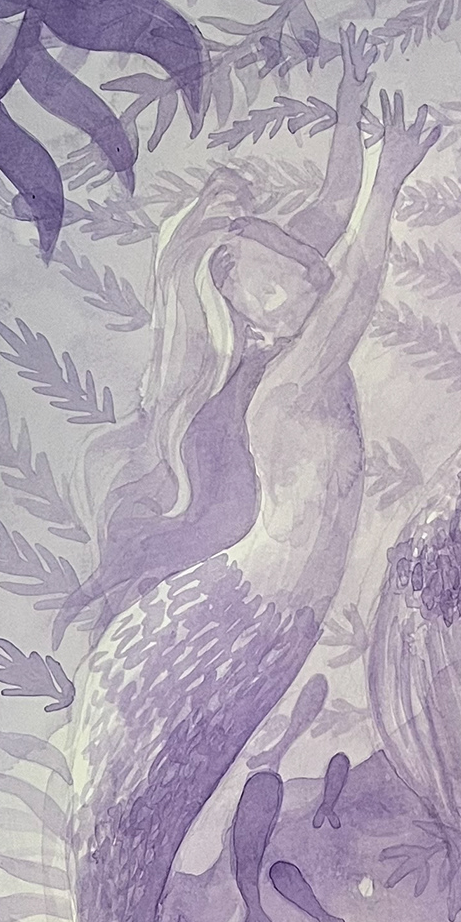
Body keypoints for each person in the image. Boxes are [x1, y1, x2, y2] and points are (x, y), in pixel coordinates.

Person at [64, 31, 379, 641]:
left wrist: (349, 103)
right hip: (241, 454)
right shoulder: (228, 374)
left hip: (275, 432)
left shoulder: (256, 248)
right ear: (226, 288)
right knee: (211, 528)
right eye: (271, 287)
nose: (299, 284)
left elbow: (337, 200)